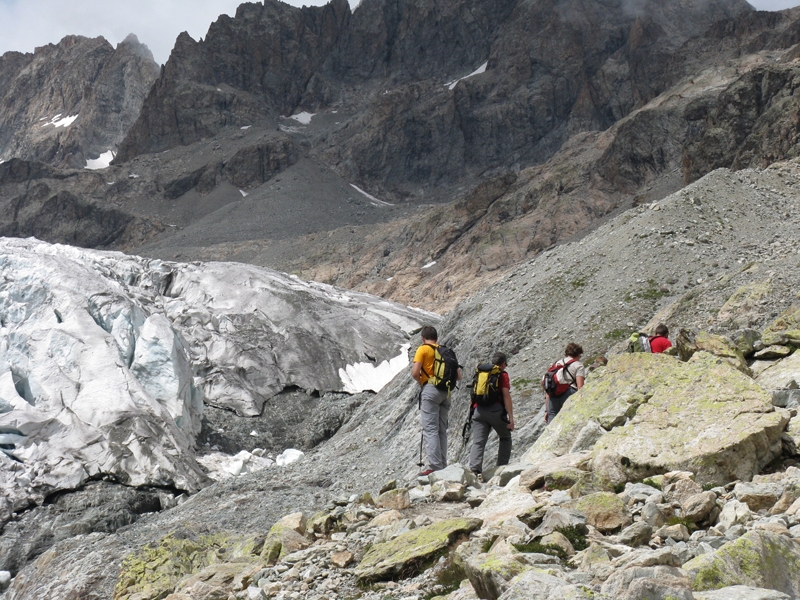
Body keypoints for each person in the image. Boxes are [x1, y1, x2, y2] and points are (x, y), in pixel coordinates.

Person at [411, 326, 461, 475]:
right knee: (441, 430)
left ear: (422, 338)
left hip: (430, 390)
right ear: (436, 338)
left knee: (430, 429)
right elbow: (459, 376)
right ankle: (443, 465)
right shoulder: (444, 351)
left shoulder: (423, 349)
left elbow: (415, 372)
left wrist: (422, 382)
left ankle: (435, 467)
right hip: (446, 393)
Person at [468, 352, 515, 483]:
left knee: (478, 441)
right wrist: (511, 418)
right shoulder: (502, 374)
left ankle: (474, 471)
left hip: (478, 410)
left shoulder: (481, 373)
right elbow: (506, 395)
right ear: (503, 363)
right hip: (495, 411)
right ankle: (501, 469)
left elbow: (473, 394)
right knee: (505, 437)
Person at [545, 342, 585, 424]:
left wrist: (547, 410)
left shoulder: (556, 364)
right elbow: (580, 387)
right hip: (569, 393)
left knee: (552, 421)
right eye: (580, 355)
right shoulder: (578, 365)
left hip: (553, 395)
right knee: (571, 420)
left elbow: (548, 388)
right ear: (578, 354)